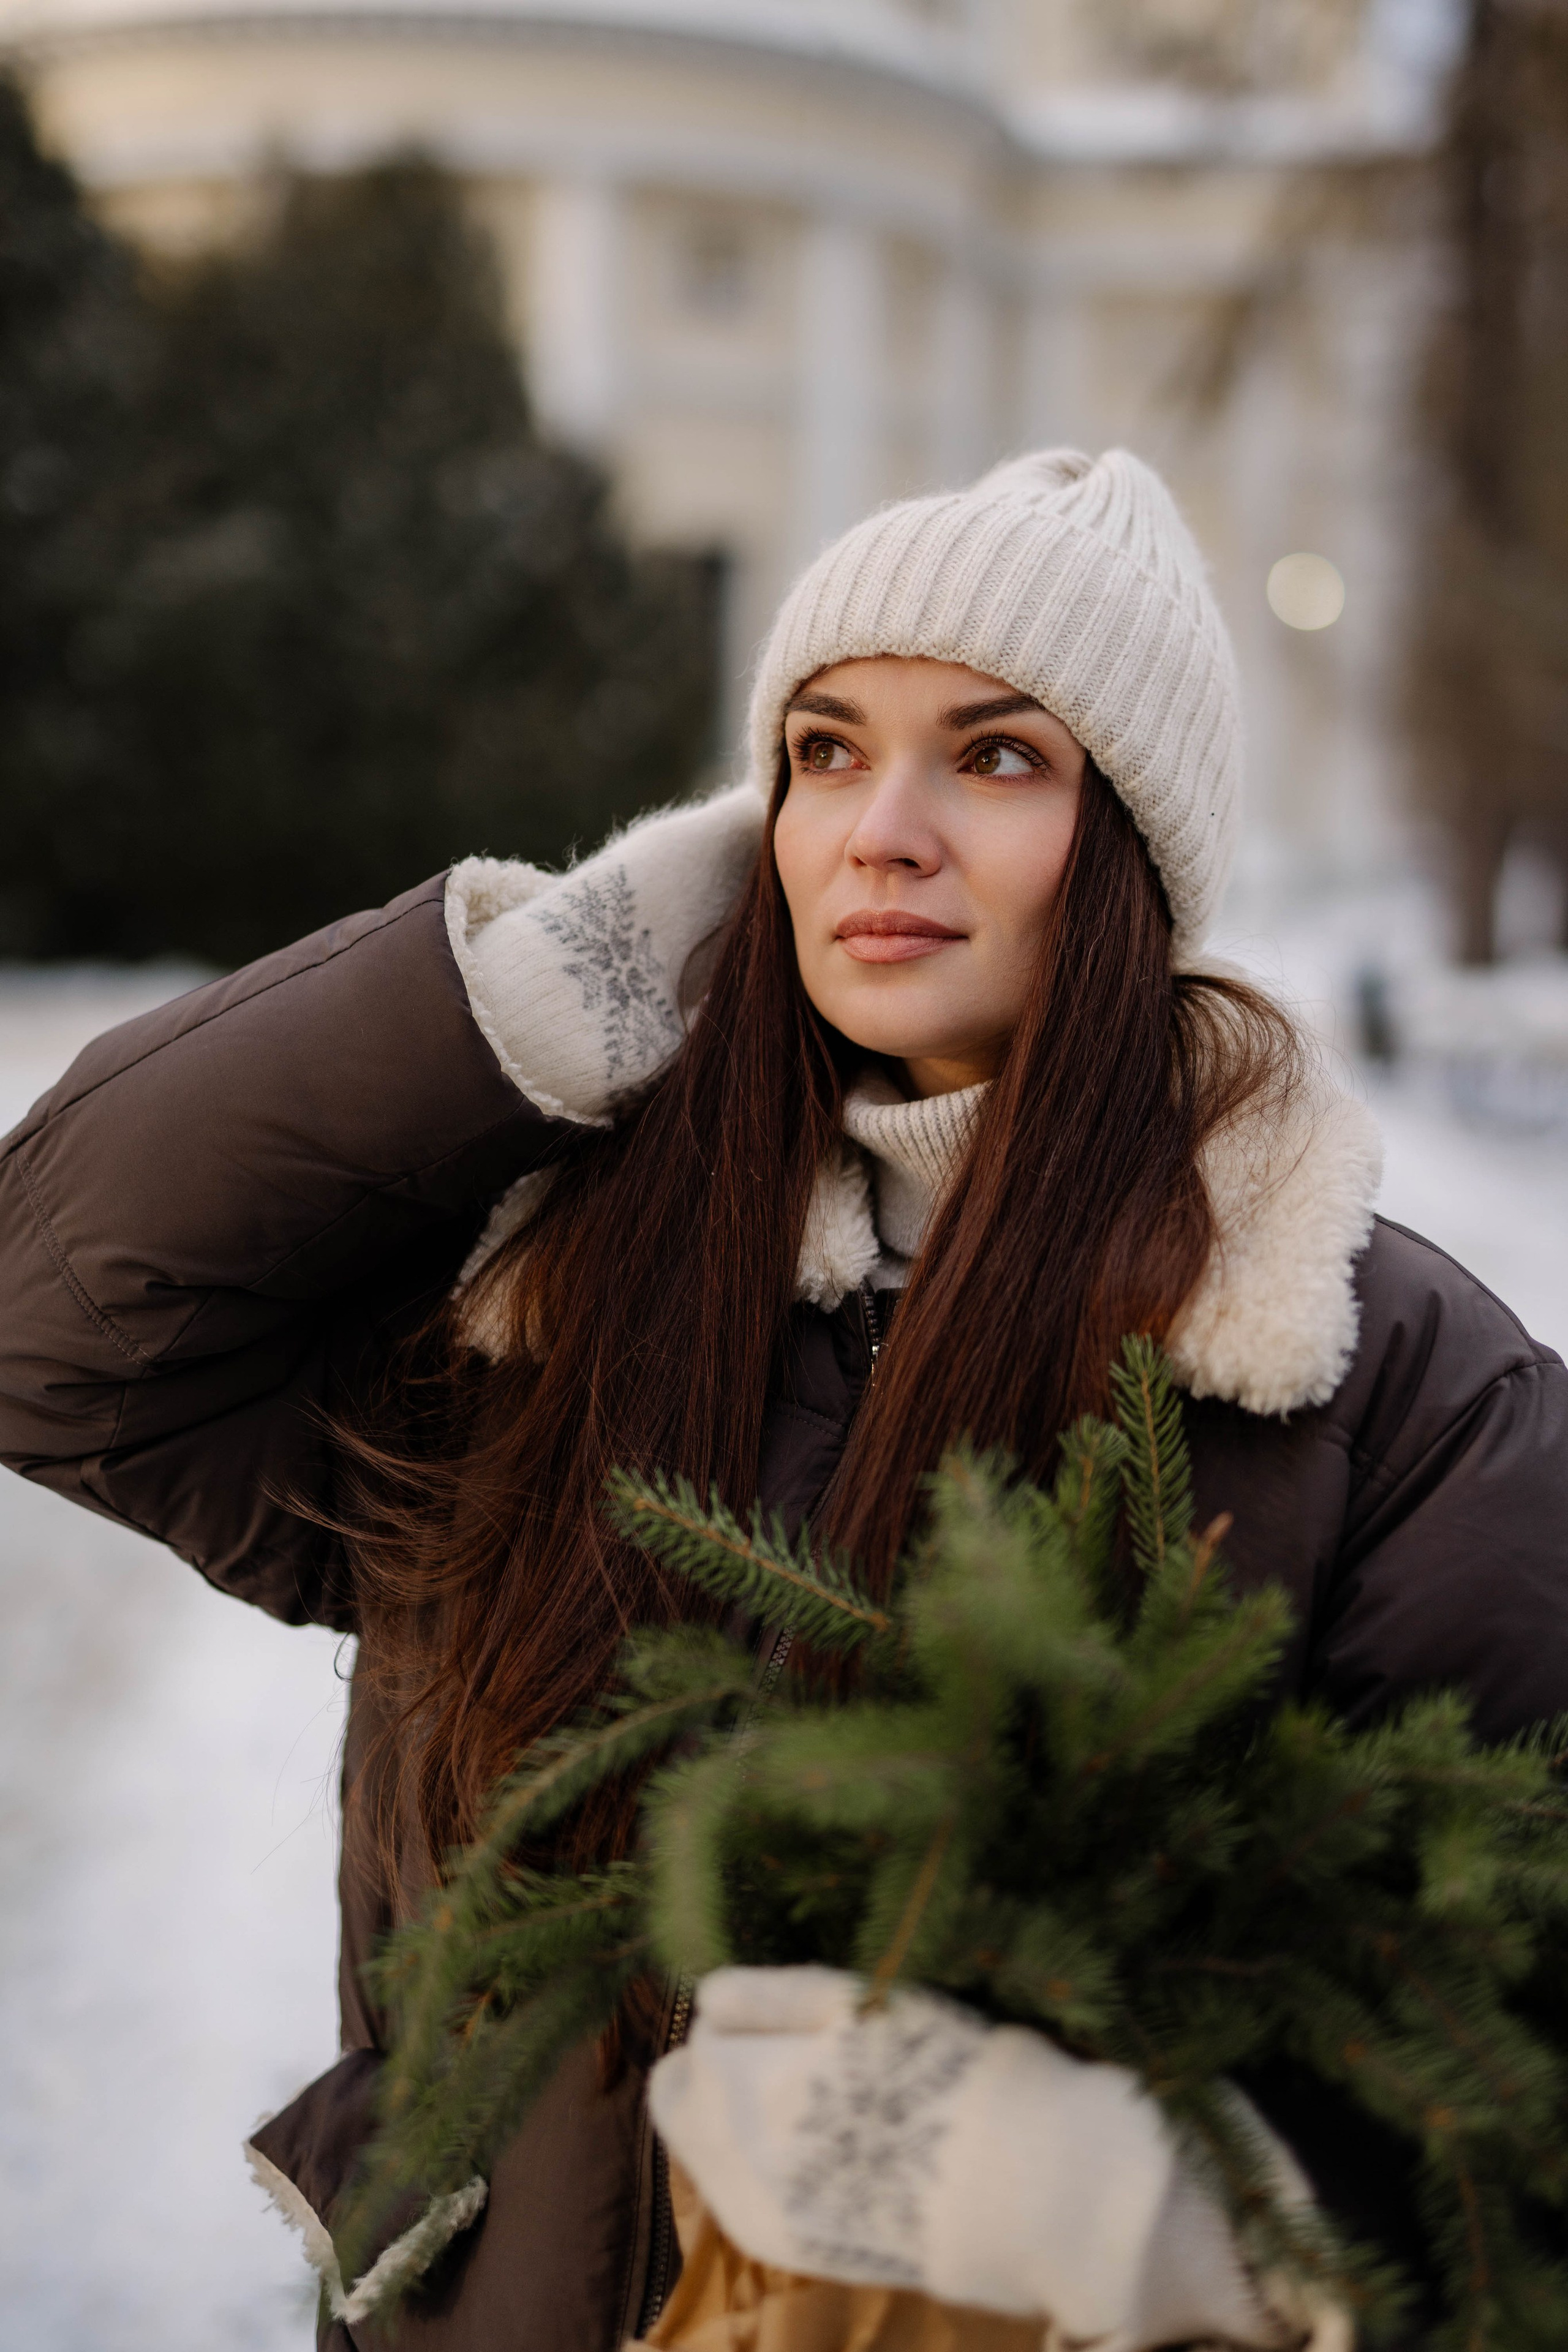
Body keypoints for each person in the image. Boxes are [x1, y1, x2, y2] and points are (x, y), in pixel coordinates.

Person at [2, 448, 1565, 2352]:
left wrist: (1178, 2212)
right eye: (826, 751)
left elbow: (1512, 2040)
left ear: (1137, 842)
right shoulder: (558, 1300)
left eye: (995, 758)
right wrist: (557, 984)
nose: (877, 831)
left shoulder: (1387, 1390)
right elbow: (62, 1323)